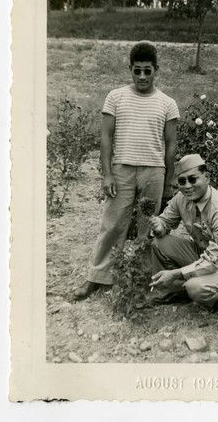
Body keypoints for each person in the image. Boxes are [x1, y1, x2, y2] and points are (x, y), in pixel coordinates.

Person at [74, 41, 179, 300]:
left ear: (157, 69)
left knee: (147, 227)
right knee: (112, 224)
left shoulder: (167, 103)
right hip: (122, 171)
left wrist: (167, 183)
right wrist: (107, 174)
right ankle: (98, 277)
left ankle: (141, 277)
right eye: (137, 71)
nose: (142, 76)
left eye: (147, 71)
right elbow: (106, 138)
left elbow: (171, 145)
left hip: (153, 172)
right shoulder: (116, 97)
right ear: (130, 69)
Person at [147, 154, 218, 314]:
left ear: (207, 177)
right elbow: (165, 223)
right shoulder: (181, 198)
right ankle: (178, 292)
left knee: (195, 287)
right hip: (203, 253)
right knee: (159, 243)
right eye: (182, 181)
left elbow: (215, 260)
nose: (187, 186)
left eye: (193, 179)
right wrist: (159, 226)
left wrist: (176, 273)